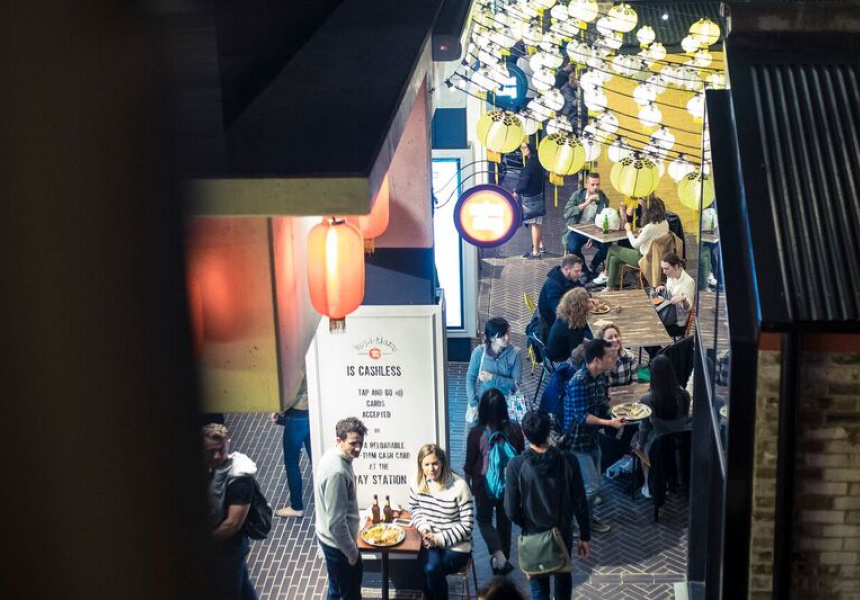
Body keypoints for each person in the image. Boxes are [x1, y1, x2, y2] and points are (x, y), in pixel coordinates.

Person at [504, 411, 591, 600]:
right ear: (548, 431)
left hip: (533, 534)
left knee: (539, 589)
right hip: (562, 532)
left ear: (525, 434)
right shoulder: (568, 460)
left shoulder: (515, 466)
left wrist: (526, 523)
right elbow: (579, 501)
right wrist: (585, 536)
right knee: (563, 581)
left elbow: (510, 510)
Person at [563, 339, 624, 533]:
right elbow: (582, 417)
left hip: (592, 438)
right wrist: (609, 423)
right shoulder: (578, 382)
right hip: (577, 441)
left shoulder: (600, 377)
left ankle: (587, 519)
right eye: (608, 357)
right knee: (591, 487)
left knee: (593, 482)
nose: (612, 359)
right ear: (597, 360)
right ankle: (577, 521)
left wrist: (617, 412)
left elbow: (601, 404)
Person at [464, 389, 525, 576]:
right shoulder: (515, 429)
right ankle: (502, 563)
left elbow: (469, 464)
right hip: (508, 485)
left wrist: (468, 486)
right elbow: (520, 456)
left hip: (483, 486)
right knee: (505, 522)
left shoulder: (476, 433)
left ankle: (499, 557)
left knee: (483, 520)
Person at [409, 444, 474, 600]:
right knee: (426, 569)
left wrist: (437, 539)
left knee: (430, 569)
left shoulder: (460, 486)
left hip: (457, 546)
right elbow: (414, 508)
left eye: (435, 463)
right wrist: (423, 528)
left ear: (442, 463)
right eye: (426, 464)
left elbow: (467, 525)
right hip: (430, 542)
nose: (431, 469)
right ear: (421, 466)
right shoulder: (418, 482)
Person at [202, 423, 259, 600]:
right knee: (242, 588)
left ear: (229, 444)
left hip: (230, 549)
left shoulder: (240, 479)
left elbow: (232, 525)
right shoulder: (209, 469)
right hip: (224, 549)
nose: (217, 456)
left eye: (221, 450)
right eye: (211, 451)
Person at [316, 417, 368, 600]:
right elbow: (336, 524)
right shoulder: (338, 472)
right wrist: (352, 553)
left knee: (336, 590)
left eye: (361, 443)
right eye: (353, 443)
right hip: (339, 548)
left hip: (330, 542)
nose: (358, 448)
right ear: (339, 440)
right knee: (349, 594)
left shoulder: (331, 455)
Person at [634, 356, 691, 498]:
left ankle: (647, 486)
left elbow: (644, 428)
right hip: (680, 443)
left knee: (641, 444)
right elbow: (685, 418)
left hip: (658, 445)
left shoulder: (647, 399)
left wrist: (639, 445)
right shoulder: (685, 396)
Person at [593, 195, 669, 287]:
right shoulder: (665, 223)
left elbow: (635, 244)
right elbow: (653, 232)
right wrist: (643, 229)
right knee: (613, 259)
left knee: (612, 249)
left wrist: (628, 230)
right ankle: (609, 287)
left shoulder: (649, 227)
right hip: (656, 255)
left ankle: (605, 275)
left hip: (643, 258)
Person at [465, 317, 522, 429]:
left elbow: (516, 384)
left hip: (507, 406)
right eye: (502, 335)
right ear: (491, 338)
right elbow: (470, 379)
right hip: (484, 404)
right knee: (480, 434)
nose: (507, 337)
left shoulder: (515, 353)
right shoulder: (479, 353)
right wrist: (474, 403)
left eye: (508, 332)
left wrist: (492, 377)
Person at [271, 375, 311, 518]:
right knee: (315, 457)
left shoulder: (297, 364)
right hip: (311, 409)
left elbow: (292, 393)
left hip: (297, 414)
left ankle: (296, 507)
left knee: (291, 462)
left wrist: (278, 410)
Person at [563, 172, 610, 280]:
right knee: (572, 247)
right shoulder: (578, 195)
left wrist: (592, 237)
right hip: (577, 229)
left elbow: (604, 219)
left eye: (597, 184)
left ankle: (592, 266)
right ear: (587, 184)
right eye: (592, 184)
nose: (595, 187)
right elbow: (566, 213)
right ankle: (584, 269)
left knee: (607, 248)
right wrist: (585, 203)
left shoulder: (603, 199)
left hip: (595, 232)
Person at [512, 141, 547, 259]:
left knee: (534, 224)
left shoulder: (530, 165)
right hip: (538, 195)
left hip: (531, 198)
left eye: (525, 148)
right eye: (521, 148)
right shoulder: (538, 162)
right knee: (537, 223)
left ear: (530, 148)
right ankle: (540, 246)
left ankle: (536, 252)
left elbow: (524, 183)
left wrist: (516, 191)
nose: (523, 150)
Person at [537, 255, 585, 332]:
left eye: (580, 270)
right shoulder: (553, 286)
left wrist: (588, 298)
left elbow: (579, 290)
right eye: (576, 271)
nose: (579, 274)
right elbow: (559, 312)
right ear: (567, 269)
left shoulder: (571, 277)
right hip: (554, 323)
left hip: (567, 316)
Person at [546, 288, 593, 363]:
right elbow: (577, 355)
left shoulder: (564, 317)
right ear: (581, 308)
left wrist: (591, 343)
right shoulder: (573, 328)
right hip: (562, 361)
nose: (591, 303)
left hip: (553, 355)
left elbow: (578, 340)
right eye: (587, 302)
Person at [654, 252, 696, 337]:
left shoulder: (688, 282)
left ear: (676, 267)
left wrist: (683, 299)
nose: (664, 272)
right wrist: (664, 289)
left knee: (652, 327)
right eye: (663, 268)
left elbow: (689, 308)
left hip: (678, 323)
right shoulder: (670, 276)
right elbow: (670, 294)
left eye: (666, 269)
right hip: (668, 314)